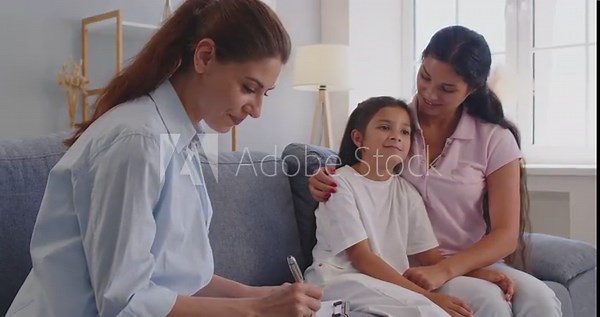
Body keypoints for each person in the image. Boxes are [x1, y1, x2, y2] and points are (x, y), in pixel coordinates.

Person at [6, 1, 322, 316]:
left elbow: (181, 275)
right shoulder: (137, 141)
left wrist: (258, 295)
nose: (256, 110)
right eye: (248, 88)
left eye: (264, 93)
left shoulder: (183, 139)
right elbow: (126, 301)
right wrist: (257, 309)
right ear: (205, 56)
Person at [308, 25, 562, 317]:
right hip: (409, 264)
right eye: (425, 76)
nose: (429, 93)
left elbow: (506, 233)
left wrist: (450, 269)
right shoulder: (396, 125)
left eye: (447, 88)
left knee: (541, 300)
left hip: (466, 262)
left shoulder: (494, 138)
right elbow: (359, 172)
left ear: (473, 89)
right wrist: (321, 180)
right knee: (488, 302)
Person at [305, 96, 480, 317]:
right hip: (338, 281)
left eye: (405, 132)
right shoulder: (339, 184)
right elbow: (361, 257)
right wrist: (430, 297)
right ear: (358, 139)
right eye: (385, 127)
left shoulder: (407, 193)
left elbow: (431, 259)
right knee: (428, 310)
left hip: (384, 284)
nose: (396, 136)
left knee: (472, 299)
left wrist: (481, 273)